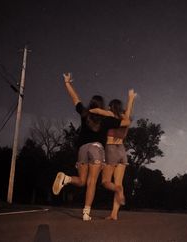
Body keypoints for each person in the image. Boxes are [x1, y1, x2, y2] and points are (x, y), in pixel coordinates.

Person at [52, 73, 130, 221]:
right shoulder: (107, 119)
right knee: (91, 182)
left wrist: (67, 83)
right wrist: (108, 112)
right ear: (101, 106)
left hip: (82, 149)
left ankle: (66, 178)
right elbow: (126, 122)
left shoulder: (84, 112)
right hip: (96, 149)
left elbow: (75, 98)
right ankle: (86, 213)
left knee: (81, 181)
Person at [90, 89, 136, 220]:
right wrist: (131, 98)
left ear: (111, 107)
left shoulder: (111, 115)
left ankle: (119, 192)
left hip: (111, 149)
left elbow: (99, 111)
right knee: (118, 184)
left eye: (109, 106)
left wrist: (89, 110)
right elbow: (129, 110)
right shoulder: (124, 117)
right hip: (122, 150)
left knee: (105, 182)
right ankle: (114, 214)